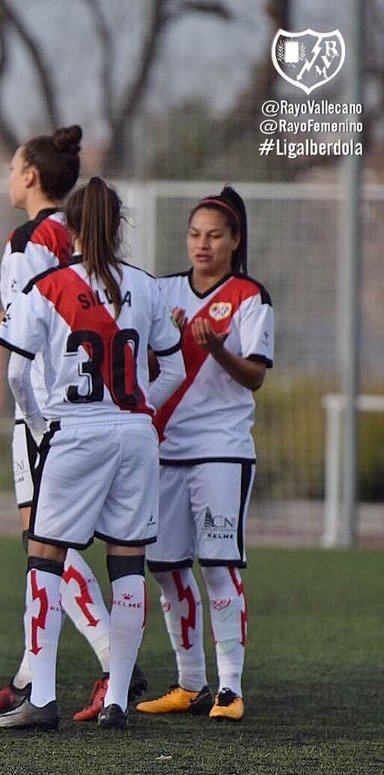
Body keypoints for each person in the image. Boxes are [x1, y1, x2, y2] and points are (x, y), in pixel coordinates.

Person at [0, 126, 143, 720]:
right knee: (64, 542)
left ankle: (110, 663)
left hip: (48, 408)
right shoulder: (73, 237)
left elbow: (24, 317)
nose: (8, 178)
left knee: (45, 542)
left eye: (12, 168)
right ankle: (32, 672)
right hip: (106, 409)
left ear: (31, 175)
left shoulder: (30, 238)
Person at [0, 177, 185, 730]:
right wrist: (144, 408)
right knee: (127, 562)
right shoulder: (148, 287)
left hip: (74, 432)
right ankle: (119, 698)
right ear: (119, 224)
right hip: (134, 435)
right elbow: (172, 367)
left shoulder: (48, 285)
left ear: (69, 227)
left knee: (44, 557)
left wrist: (35, 420)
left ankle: (43, 697)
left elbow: (14, 370)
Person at [136, 186, 273, 722]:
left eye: (215, 235)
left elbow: (256, 375)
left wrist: (217, 346)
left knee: (218, 565)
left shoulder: (250, 296)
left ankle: (231, 688)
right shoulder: (163, 289)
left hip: (221, 449)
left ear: (235, 241)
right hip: (164, 448)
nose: (203, 244)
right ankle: (190, 683)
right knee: (166, 565)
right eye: (195, 234)